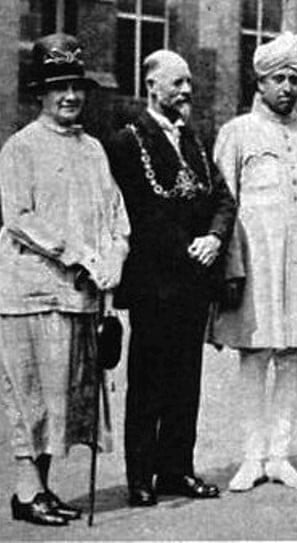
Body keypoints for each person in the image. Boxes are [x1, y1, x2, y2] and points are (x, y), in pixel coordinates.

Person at [208, 29, 297, 492]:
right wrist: (229, 268)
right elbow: (221, 206)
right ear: (261, 83)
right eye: (280, 80)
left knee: (293, 356)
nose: (289, 88)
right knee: (255, 354)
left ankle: (281, 455)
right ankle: (251, 457)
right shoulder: (236, 134)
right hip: (256, 261)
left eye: (295, 80)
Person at [0, 33, 129, 525]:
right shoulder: (21, 148)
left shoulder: (94, 149)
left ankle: (44, 489)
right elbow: (21, 218)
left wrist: (115, 254)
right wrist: (79, 255)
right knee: (30, 393)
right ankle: (26, 492)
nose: (70, 96)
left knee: (63, 398)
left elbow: (116, 214)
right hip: (31, 291)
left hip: (82, 295)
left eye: (76, 86)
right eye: (59, 87)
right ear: (41, 94)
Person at [106, 50, 236, 506]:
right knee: (147, 381)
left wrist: (216, 238)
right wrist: (189, 248)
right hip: (155, 282)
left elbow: (222, 197)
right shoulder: (127, 141)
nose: (186, 92)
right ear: (152, 86)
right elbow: (143, 211)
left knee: (186, 380)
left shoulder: (196, 140)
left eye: (188, 83)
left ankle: (177, 469)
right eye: (177, 83)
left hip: (194, 282)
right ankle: (141, 476)